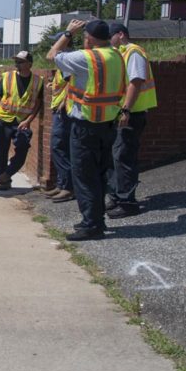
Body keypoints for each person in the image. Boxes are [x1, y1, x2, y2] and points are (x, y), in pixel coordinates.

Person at [46, 19, 127, 241]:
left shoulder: (87, 57)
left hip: (86, 126)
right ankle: (95, 219)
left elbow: (52, 55)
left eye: (84, 36)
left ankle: (92, 225)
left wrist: (68, 33)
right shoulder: (117, 56)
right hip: (108, 124)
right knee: (99, 175)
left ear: (89, 38)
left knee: (84, 176)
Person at [106, 21, 157, 217]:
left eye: (110, 37)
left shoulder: (133, 52)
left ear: (120, 34)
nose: (109, 41)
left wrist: (125, 109)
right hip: (119, 113)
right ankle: (117, 196)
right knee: (114, 156)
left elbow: (135, 82)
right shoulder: (120, 54)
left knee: (123, 157)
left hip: (131, 113)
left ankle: (128, 203)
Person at [0, 50, 44, 191]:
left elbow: (38, 104)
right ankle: (3, 178)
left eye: (20, 62)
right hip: (4, 120)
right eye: (16, 61)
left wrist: (29, 120)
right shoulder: (7, 77)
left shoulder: (38, 81)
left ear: (29, 64)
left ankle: (7, 173)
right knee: (2, 149)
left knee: (23, 147)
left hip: (22, 122)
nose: (17, 64)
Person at [45, 33, 74, 203]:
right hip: (59, 109)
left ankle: (68, 187)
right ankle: (62, 183)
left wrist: (65, 100)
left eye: (55, 43)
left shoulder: (68, 60)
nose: (52, 46)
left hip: (64, 111)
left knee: (59, 147)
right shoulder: (63, 61)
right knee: (58, 147)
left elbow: (73, 82)